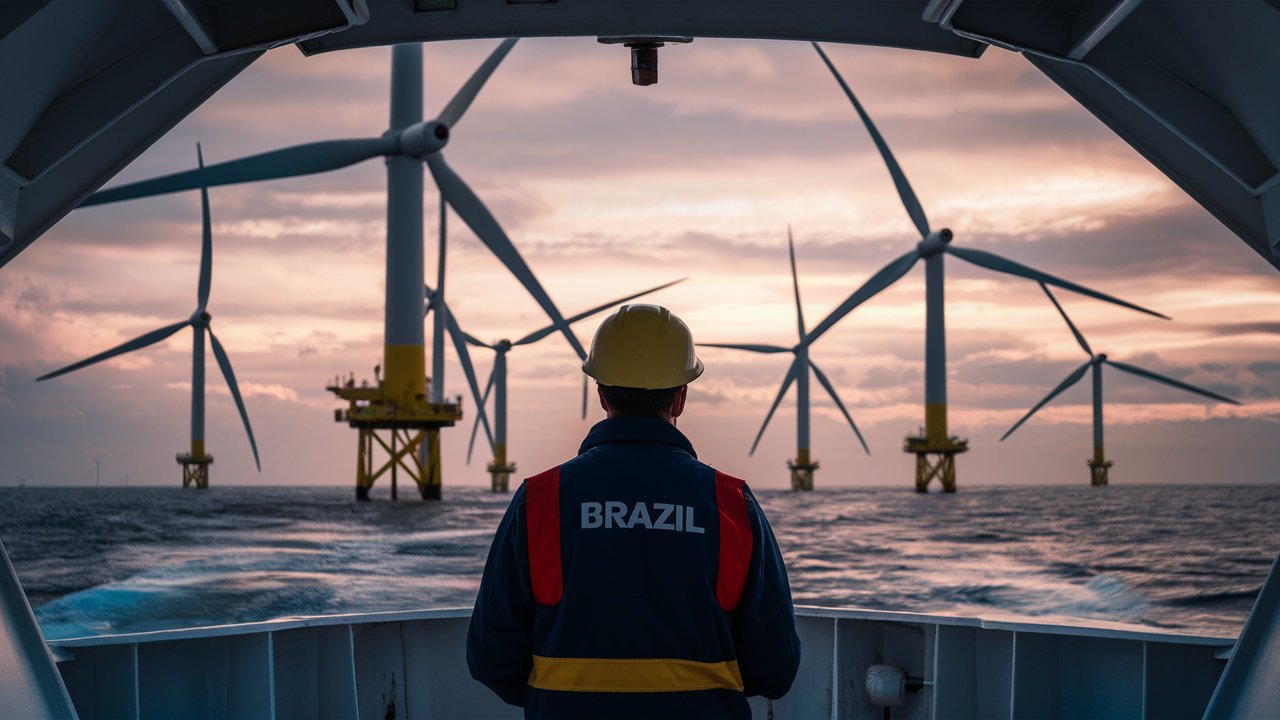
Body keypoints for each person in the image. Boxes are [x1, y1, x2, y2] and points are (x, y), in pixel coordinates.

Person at [467, 304, 801, 719]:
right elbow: (776, 669)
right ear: (680, 398)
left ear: (601, 393)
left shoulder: (539, 500)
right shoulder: (731, 504)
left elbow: (489, 657)